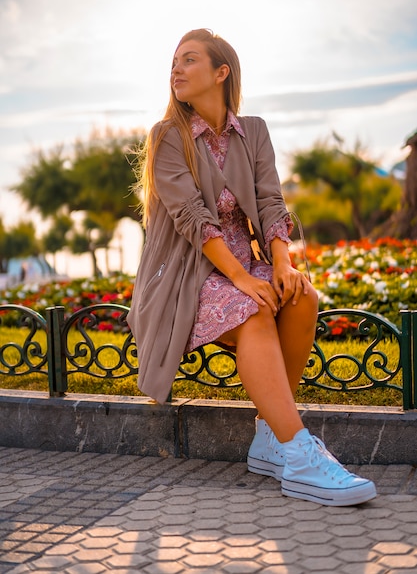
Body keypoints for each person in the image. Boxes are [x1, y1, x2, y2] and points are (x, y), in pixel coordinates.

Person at [127, 28, 376, 507]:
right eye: (174, 61)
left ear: (221, 73)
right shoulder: (167, 137)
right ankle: (300, 457)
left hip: (245, 267)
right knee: (253, 308)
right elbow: (192, 220)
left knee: (301, 295)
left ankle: (268, 438)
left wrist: (281, 262)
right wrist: (242, 279)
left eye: (190, 60)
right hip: (189, 276)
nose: (176, 69)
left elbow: (270, 201)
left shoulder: (254, 131)